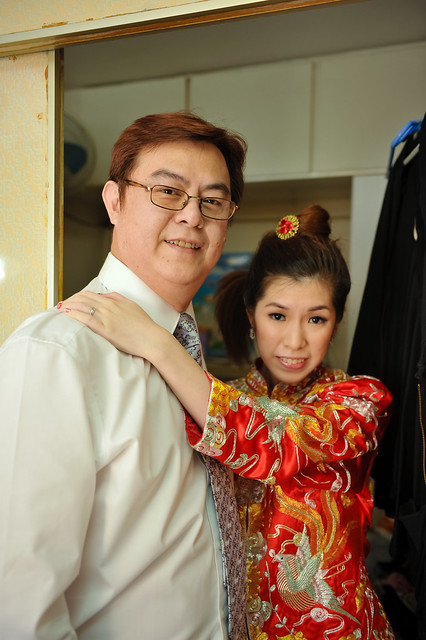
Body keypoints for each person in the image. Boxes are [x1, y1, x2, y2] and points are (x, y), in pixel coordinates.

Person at [58, 205, 395, 639]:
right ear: (252, 315)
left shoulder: (360, 402)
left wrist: (157, 343)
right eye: (277, 316)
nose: (295, 340)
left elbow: (274, 441)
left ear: (337, 321)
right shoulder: (214, 396)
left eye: (316, 319)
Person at [0, 112, 249, 639]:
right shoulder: (58, 352)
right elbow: (20, 601)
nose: (192, 216)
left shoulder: (185, 351)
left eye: (213, 200)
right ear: (114, 201)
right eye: (168, 192)